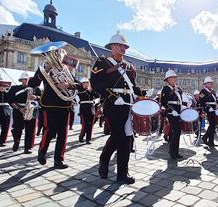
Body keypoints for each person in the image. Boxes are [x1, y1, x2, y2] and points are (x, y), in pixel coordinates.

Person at [91, 32, 145, 184]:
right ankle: (105, 159)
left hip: (128, 104)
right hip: (113, 103)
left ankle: (122, 173)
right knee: (119, 136)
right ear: (112, 47)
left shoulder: (128, 66)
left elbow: (131, 86)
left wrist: (141, 93)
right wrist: (113, 97)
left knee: (126, 138)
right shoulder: (102, 62)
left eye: (125, 47)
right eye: (121, 46)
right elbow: (96, 84)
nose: (124, 49)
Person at [28, 41, 83, 169]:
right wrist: (43, 71)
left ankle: (59, 160)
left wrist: (68, 85)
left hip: (64, 105)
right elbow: (33, 83)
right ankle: (42, 152)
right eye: (54, 53)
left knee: (63, 134)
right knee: (49, 131)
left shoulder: (66, 70)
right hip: (50, 104)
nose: (57, 55)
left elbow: (79, 86)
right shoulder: (43, 68)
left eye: (57, 53)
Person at [8, 72, 41, 153]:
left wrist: (36, 97)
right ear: (21, 80)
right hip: (18, 110)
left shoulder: (36, 88)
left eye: (27, 79)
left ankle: (27, 147)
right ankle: (16, 141)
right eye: (24, 79)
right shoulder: (14, 88)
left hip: (31, 110)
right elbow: (10, 100)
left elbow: (42, 98)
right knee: (17, 128)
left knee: (30, 130)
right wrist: (19, 108)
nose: (26, 81)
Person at [160, 70, 184, 159]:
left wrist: (183, 108)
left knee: (177, 132)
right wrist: (171, 110)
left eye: (174, 77)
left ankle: (175, 151)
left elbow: (180, 101)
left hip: (178, 113)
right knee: (176, 131)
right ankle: (172, 152)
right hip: (171, 113)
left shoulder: (178, 89)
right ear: (168, 79)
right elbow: (163, 102)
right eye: (171, 78)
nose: (174, 79)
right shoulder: (166, 88)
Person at [77, 78, 100, 144]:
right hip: (84, 109)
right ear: (82, 83)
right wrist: (81, 84)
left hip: (92, 109)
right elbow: (78, 85)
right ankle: (81, 137)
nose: (86, 84)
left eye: (87, 82)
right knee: (85, 124)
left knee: (90, 125)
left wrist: (95, 101)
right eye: (84, 82)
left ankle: (88, 139)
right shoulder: (80, 90)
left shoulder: (92, 91)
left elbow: (98, 97)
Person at [199, 76, 218, 147]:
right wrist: (206, 108)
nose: (210, 84)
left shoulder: (212, 91)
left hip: (213, 109)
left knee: (213, 126)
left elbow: (215, 100)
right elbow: (201, 101)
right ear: (205, 84)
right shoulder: (203, 91)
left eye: (211, 83)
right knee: (212, 125)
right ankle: (205, 137)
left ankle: (211, 142)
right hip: (209, 109)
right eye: (209, 83)